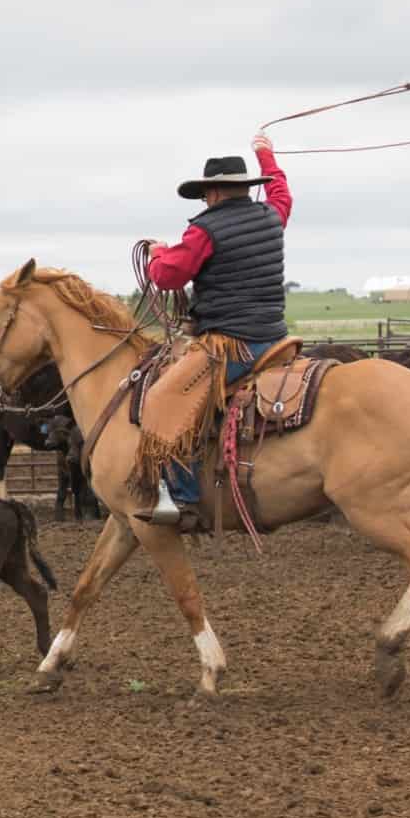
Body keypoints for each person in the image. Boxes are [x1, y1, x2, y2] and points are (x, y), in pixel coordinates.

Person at [139, 134, 292, 526]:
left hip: (231, 343)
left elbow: (169, 276)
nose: (205, 201)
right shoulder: (270, 216)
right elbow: (281, 193)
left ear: (215, 192)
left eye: (206, 194)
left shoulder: (205, 230)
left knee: (164, 399)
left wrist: (158, 253)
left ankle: (183, 499)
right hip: (275, 338)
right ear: (244, 188)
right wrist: (266, 155)